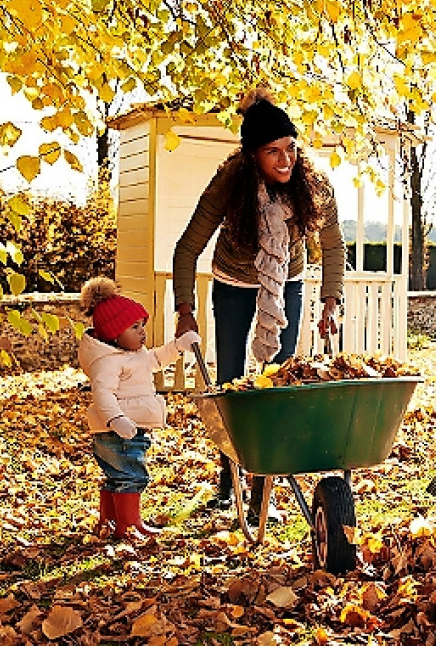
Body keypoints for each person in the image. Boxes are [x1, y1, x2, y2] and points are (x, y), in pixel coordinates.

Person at [173, 87, 346, 518]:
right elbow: (186, 250)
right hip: (233, 283)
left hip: (285, 281)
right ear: (252, 156)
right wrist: (184, 312)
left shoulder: (313, 185)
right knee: (232, 382)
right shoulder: (228, 186)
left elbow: (333, 244)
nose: (285, 160)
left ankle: (261, 492)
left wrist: (330, 300)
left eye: (290, 148)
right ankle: (227, 479)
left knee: (275, 384)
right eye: (273, 152)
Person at [79, 277, 202, 541]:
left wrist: (178, 346)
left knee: (118, 477)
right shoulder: (107, 362)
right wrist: (116, 420)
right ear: (114, 333)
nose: (142, 332)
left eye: (142, 325)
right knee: (131, 476)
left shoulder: (133, 354)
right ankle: (129, 525)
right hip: (118, 432)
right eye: (134, 327)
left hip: (128, 428)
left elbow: (156, 359)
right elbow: (102, 394)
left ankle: (111, 522)